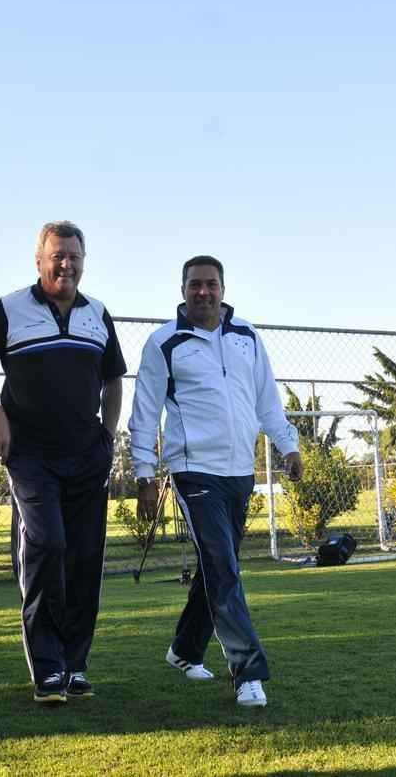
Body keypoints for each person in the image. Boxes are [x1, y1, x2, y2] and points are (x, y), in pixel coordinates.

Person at [128, 256, 303, 708]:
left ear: (223, 288)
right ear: (183, 289)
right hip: (193, 471)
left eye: (211, 284)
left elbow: (268, 399)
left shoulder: (246, 336)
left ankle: (184, 650)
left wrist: (288, 446)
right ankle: (248, 671)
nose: (203, 292)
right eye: (194, 285)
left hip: (240, 472)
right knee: (224, 567)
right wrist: (144, 473)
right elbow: (145, 413)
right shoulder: (164, 343)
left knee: (215, 566)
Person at [0, 220, 125, 704]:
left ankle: (75, 665)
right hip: (31, 458)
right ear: (39, 260)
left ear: (83, 261)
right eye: (57, 255)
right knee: (47, 546)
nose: (66, 264)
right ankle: (48, 666)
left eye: (74, 256)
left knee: (84, 558)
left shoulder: (98, 314)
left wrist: (108, 437)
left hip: (87, 458)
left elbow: (114, 379)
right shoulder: (11, 309)